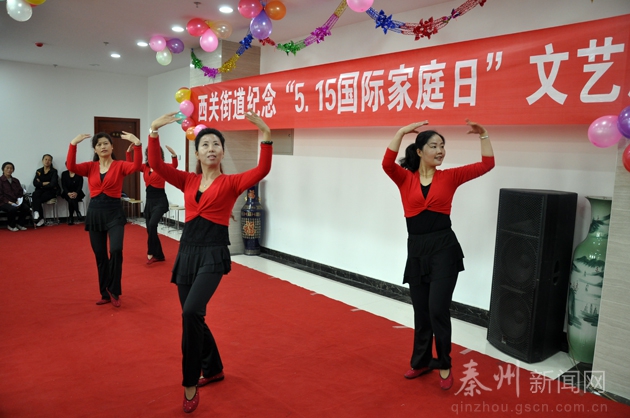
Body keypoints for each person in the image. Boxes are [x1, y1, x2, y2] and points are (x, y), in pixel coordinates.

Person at [147, 111, 272, 413]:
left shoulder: (231, 182)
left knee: (191, 312)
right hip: (187, 252)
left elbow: (262, 169)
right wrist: (153, 132)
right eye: (205, 144)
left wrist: (266, 134)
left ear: (223, 152)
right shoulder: (188, 180)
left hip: (213, 253)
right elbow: (157, 165)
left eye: (216, 144)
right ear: (197, 153)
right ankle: (214, 368)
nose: (211, 148)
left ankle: (190, 381)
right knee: (193, 317)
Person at [382, 119, 495, 390]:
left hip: (444, 249)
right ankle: (421, 361)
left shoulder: (450, 177)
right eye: (434, 146)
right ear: (419, 151)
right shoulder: (404, 178)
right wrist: (400, 132)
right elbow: (386, 164)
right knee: (421, 312)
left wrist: (484, 135)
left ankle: (444, 363)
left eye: (442, 146)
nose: (440, 151)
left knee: (437, 309)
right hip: (416, 251)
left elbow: (487, 165)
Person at [66, 131, 142, 307]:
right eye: (99, 144)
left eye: (106, 143)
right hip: (95, 214)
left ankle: (114, 290)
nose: (103, 146)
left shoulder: (120, 165)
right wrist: (73, 144)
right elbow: (71, 166)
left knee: (116, 250)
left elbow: (136, 166)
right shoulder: (90, 167)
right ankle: (105, 293)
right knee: (100, 256)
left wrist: (137, 144)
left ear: (112, 147)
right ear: (95, 149)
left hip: (114, 212)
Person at [126, 143, 178, 264]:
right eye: (149, 153)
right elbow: (132, 165)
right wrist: (128, 152)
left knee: (153, 224)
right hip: (149, 202)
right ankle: (159, 255)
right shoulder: (145, 167)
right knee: (150, 229)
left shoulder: (163, 167)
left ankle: (150, 252)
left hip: (160, 201)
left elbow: (174, 166)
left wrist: (174, 155)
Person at [31, 154, 60, 227]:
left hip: (51, 191)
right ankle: (39, 215)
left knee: (37, 199)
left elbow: (53, 184)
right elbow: (35, 183)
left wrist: (40, 184)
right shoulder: (39, 171)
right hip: (40, 191)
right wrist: (45, 183)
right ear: (42, 160)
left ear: (51, 162)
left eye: (49, 160)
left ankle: (38, 215)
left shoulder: (54, 171)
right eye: (46, 159)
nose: (47, 161)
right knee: (35, 194)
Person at [0, 162, 29, 231]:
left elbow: (20, 191)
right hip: (3, 202)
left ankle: (20, 224)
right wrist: (8, 202)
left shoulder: (16, 180)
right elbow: (0, 195)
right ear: (3, 169)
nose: (9, 170)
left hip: (15, 201)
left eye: (11, 168)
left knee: (26, 208)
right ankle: (11, 225)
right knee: (12, 209)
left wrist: (18, 201)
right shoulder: (0, 181)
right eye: (7, 168)